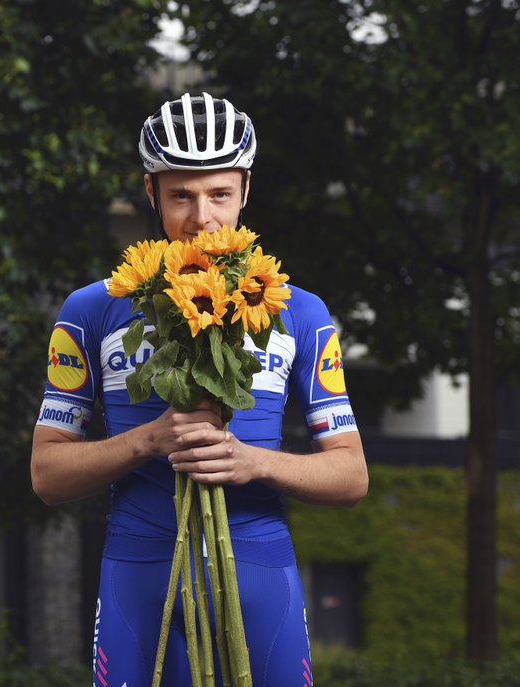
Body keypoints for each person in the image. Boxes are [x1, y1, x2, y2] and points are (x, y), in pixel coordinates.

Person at [31, 92, 367, 687]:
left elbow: (350, 477)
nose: (202, 217)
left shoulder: (300, 312)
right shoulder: (91, 309)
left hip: (259, 570)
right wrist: (147, 440)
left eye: (219, 194)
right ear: (151, 193)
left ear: (244, 192)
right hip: (141, 572)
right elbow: (48, 476)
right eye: (181, 195)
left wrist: (252, 461)